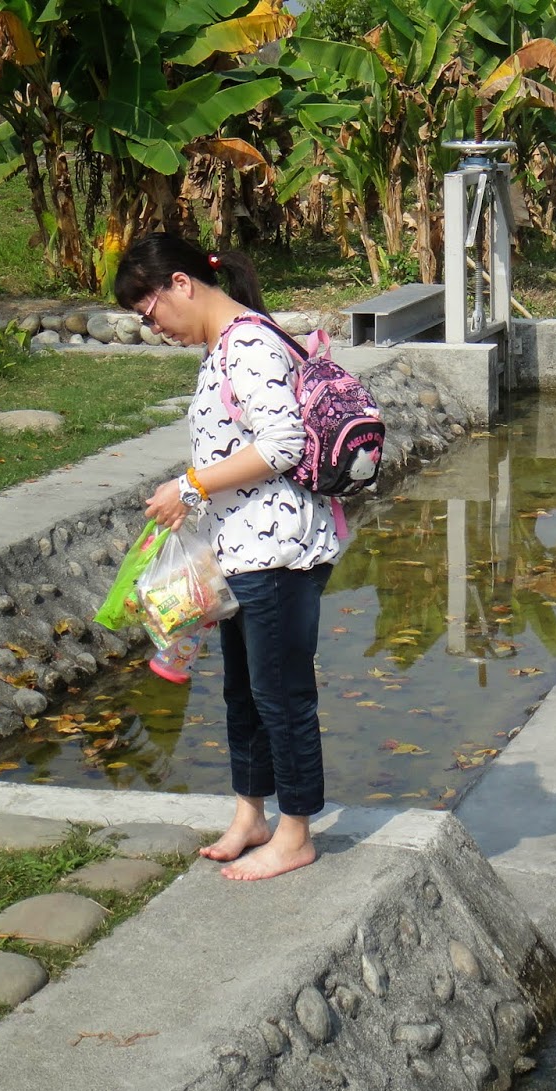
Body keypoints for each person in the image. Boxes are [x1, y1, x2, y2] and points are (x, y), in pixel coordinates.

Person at [114, 233, 340, 882]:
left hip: (279, 550)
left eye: (149, 310)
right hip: (241, 548)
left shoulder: (248, 344)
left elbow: (282, 444)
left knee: (282, 696)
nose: (154, 326)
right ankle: (251, 813)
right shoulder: (227, 345)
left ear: (182, 284)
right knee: (244, 692)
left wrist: (190, 486)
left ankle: (295, 831)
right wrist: (197, 493)